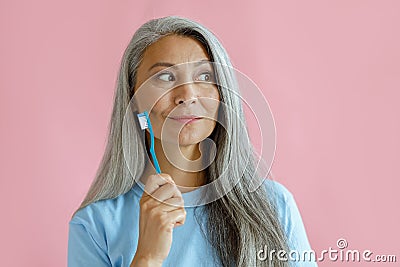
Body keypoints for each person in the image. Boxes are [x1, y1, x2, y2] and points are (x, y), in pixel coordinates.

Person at [68, 16, 317, 267]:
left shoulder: (276, 205)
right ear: (134, 101)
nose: (187, 95)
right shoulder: (93, 225)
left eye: (205, 76)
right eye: (165, 77)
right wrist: (147, 257)